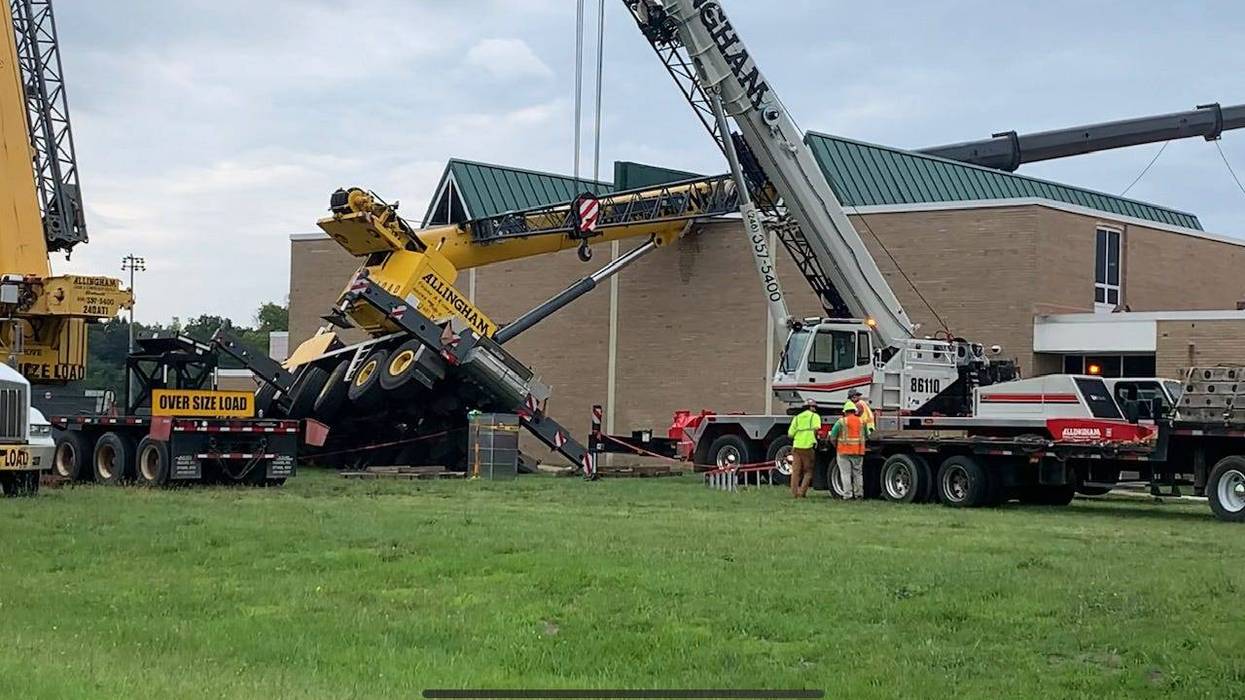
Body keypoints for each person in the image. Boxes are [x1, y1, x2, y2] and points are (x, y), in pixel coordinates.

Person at [829, 400, 866, 500]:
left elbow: (832, 437)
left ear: (845, 411)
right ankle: (859, 495)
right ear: (854, 411)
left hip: (843, 452)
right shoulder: (861, 421)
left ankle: (848, 495)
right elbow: (866, 435)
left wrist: (836, 445)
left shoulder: (841, 421)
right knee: (858, 474)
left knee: (845, 474)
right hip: (858, 451)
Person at [786, 398, 821, 498]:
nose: (815, 409)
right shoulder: (815, 416)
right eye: (814, 407)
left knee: (796, 472)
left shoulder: (797, 418)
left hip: (797, 447)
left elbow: (790, 434)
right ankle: (802, 492)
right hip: (808, 447)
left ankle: (794, 493)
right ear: (810, 407)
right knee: (808, 471)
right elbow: (816, 430)